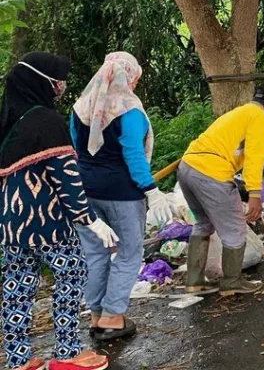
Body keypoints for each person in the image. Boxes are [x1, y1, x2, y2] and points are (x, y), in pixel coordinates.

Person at [0, 53, 114, 370]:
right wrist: (91, 221)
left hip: (10, 226)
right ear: (42, 82)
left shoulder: (10, 120)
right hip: (47, 224)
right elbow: (67, 180)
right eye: (57, 80)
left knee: (17, 289)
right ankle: (67, 353)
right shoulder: (47, 122)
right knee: (71, 275)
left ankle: (19, 359)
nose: (61, 86)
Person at [70, 52, 175, 342]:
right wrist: (151, 190)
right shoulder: (128, 109)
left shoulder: (80, 107)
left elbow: (75, 151)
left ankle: (95, 316)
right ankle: (113, 317)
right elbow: (133, 153)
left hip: (86, 192)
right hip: (123, 194)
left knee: (94, 253)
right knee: (129, 253)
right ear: (129, 76)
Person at [179, 83, 264, 295]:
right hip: (211, 172)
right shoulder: (260, 117)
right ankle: (231, 282)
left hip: (187, 166)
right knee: (235, 228)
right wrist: (255, 193)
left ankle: (194, 281)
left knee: (203, 224)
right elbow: (255, 157)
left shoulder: (240, 112)